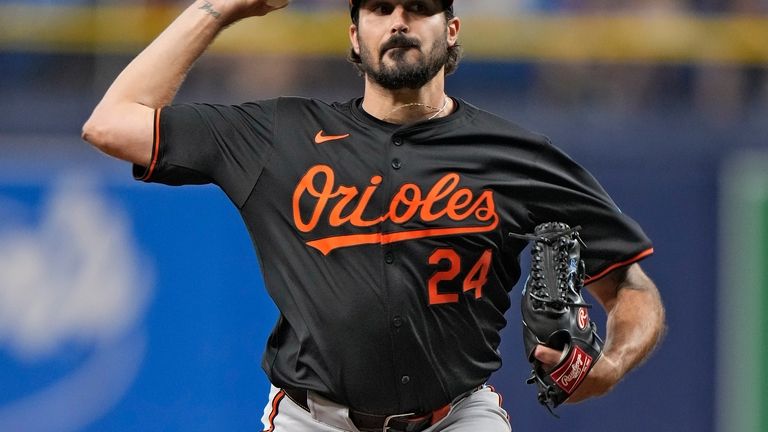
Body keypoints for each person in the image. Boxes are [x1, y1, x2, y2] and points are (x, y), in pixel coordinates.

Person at [82, 0, 666, 431]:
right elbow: (110, 124)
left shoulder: (516, 155)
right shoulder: (277, 135)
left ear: (452, 30)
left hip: (457, 417)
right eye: (380, 8)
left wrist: (611, 364)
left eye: (420, 8)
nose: (399, 22)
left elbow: (632, 287)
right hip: (314, 420)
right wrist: (216, 11)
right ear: (355, 35)